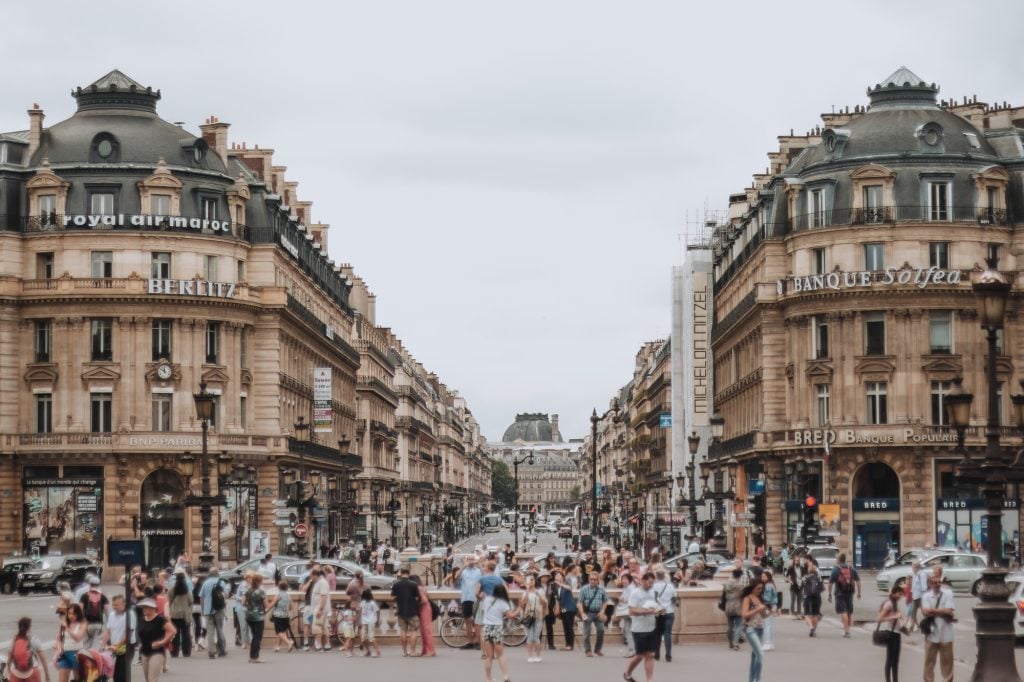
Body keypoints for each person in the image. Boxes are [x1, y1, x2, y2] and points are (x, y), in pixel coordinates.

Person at [623, 572, 660, 682]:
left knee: (651, 655)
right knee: (640, 655)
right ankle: (628, 673)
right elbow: (631, 610)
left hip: (652, 626)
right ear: (643, 581)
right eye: (649, 583)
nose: (651, 585)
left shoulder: (653, 592)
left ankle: (650, 679)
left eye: (652, 583)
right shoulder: (635, 593)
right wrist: (646, 611)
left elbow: (656, 606)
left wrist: (659, 610)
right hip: (639, 628)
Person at [921, 570, 955, 682]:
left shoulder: (948, 593)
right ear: (930, 584)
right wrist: (942, 611)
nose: (937, 585)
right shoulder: (926, 596)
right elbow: (925, 612)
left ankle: (947, 680)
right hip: (932, 632)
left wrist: (933, 610)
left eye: (939, 582)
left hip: (946, 632)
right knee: (929, 661)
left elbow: (950, 611)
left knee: (947, 662)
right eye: (934, 583)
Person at [480, 583, 517, 682]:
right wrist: (520, 607)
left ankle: (489, 678)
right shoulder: (503, 603)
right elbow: (511, 616)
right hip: (497, 628)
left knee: (489, 656)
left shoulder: (487, 599)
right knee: (500, 654)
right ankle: (505, 676)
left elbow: (483, 610)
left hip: (487, 627)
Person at [136, 598, 176, 682]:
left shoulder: (160, 620)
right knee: (147, 679)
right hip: (144, 652)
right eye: (143, 607)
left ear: (153, 608)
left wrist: (162, 642)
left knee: (152, 679)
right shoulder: (142, 620)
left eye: (146, 607)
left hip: (157, 652)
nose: (144, 609)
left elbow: (172, 631)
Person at [6, 617, 51, 682]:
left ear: (19, 627)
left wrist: (9, 672)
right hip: (32, 672)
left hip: (16, 673)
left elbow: (9, 660)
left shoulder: (14, 640)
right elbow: (43, 659)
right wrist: (47, 675)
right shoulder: (34, 639)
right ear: (29, 628)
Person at [828, 552, 861, 638]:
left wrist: (829, 594)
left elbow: (830, 583)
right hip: (850, 592)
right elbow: (858, 580)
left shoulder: (835, 569)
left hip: (839, 593)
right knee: (849, 612)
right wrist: (859, 593)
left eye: (836, 559)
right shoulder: (851, 568)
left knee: (844, 612)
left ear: (838, 560)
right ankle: (847, 630)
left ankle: (847, 632)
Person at [741, 581, 768, 682]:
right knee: (760, 654)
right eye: (758, 588)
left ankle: (752, 679)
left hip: (760, 628)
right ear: (752, 587)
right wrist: (757, 609)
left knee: (755, 656)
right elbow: (744, 614)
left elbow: (764, 615)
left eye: (761, 589)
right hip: (751, 629)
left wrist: (768, 612)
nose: (760, 591)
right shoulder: (747, 598)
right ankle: (757, 679)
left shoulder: (759, 598)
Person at [391, 567, 422, 656]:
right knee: (414, 630)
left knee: (403, 631)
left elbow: (392, 597)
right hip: (412, 610)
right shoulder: (413, 584)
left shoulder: (396, 584)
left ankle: (405, 652)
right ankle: (412, 651)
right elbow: (417, 597)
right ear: (408, 573)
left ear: (401, 573)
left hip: (400, 610)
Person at [198, 568, 228, 659]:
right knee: (220, 629)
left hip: (207, 610)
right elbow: (226, 595)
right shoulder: (221, 582)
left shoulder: (206, 583)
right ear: (217, 573)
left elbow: (201, 597)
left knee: (210, 632)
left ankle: (211, 651)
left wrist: (203, 610)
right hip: (219, 609)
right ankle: (221, 650)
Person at [104, 595, 135, 682]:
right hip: (115, 646)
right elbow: (108, 631)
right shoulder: (111, 615)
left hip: (127, 646)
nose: (114, 607)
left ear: (124, 604)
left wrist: (118, 645)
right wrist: (102, 645)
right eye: (113, 605)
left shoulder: (129, 615)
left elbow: (128, 632)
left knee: (122, 674)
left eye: (117, 605)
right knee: (116, 674)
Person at [578, 570, 609, 657]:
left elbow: (605, 600)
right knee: (587, 632)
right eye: (591, 579)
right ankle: (588, 650)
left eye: (595, 579)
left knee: (601, 630)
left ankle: (598, 649)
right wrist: (582, 613)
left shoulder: (601, 589)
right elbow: (579, 602)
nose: (593, 581)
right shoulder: (584, 589)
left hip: (598, 612)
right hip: (588, 612)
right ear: (588, 579)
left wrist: (603, 611)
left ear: (598, 580)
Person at [455, 555, 483, 650]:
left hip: (476, 598)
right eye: (469, 559)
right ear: (467, 560)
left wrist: (479, 564)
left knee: (477, 622)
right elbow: (456, 577)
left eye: (472, 559)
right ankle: (470, 642)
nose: (471, 561)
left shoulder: (478, 571)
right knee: (468, 621)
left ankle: (478, 641)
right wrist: (463, 566)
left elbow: (486, 577)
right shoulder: (464, 571)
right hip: (466, 598)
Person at [877, 584, 903, 682]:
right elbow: (880, 618)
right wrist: (894, 617)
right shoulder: (889, 604)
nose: (900, 596)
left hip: (897, 633)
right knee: (890, 660)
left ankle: (895, 680)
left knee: (895, 661)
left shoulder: (895, 603)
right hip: (891, 634)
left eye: (901, 594)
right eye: (899, 594)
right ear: (894, 593)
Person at [55, 604, 87, 682]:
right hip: (64, 653)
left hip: (76, 654)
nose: (71, 616)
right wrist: (59, 650)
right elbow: (58, 639)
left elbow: (78, 638)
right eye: (69, 613)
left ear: (78, 614)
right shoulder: (65, 624)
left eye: (74, 614)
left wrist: (68, 629)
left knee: (78, 678)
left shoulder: (82, 624)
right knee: (62, 679)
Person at [520, 574, 546, 663]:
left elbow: (545, 603)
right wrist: (527, 589)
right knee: (530, 637)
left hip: (538, 616)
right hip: (528, 616)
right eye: (529, 580)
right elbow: (523, 603)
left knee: (536, 636)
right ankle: (530, 655)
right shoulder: (524, 592)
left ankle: (538, 655)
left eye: (533, 580)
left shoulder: (540, 591)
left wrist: (540, 597)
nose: (531, 581)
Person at [243, 573, 269, 663]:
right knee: (258, 637)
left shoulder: (248, 590)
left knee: (254, 636)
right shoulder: (261, 592)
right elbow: (266, 605)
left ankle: (252, 656)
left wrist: (251, 606)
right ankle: (255, 657)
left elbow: (243, 603)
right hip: (258, 616)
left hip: (249, 616)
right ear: (259, 581)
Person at [168, 569, 193, 658]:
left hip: (174, 614)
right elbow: (191, 601)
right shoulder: (187, 590)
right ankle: (186, 652)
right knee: (186, 633)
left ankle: (174, 652)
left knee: (175, 634)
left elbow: (169, 601)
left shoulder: (172, 590)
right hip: (185, 614)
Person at [651, 569, 675, 662]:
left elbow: (652, 598)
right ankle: (668, 655)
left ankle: (657, 654)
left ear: (656, 576)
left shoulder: (653, 586)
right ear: (664, 576)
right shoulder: (669, 586)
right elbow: (674, 597)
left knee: (657, 634)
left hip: (658, 612)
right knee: (667, 633)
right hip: (669, 611)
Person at [79, 575, 109, 648]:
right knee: (97, 647)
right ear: (98, 585)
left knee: (86, 646)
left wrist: (81, 622)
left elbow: (80, 609)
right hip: (99, 624)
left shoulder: (84, 596)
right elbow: (107, 612)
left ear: (89, 584)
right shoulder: (103, 596)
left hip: (87, 625)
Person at [268, 580, 296, 653]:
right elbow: (291, 607)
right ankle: (277, 647)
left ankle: (289, 642)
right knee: (282, 632)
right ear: (286, 587)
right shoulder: (288, 595)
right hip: (286, 616)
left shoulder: (279, 595)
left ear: (279, 587)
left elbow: (273, 603)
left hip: (278, 615)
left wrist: (267, 609)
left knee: (279, 632)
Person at [308, 567, 332, 651]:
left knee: (317, 626)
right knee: (324, 626)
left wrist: (320, 609)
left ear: (315, 575)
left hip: (319, 608)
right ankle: (327, 644)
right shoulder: (320, 582)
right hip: (320, 608)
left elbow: (324, 596)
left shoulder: (322, 583)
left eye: (311, 576)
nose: (310, 578)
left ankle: (318, 645)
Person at [554, 570, 578, 651]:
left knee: (569, 626)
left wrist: (560, 584)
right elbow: (558, 598)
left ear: (562, 576)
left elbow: (569, 588)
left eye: (558, 575)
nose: (556, 576)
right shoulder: (557, 587)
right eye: (556, 575)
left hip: (570, 608)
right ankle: (567, 644)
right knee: (565, 627)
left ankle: (570, 645)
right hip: (563, 609)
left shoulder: (566, 583)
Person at [615, 572, 637, 657]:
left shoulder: (630, 588)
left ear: (629, 580)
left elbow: (627, 599)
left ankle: (632, 650)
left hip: (629, 611)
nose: (623, 581)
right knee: (630, 631)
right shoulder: (629, 588)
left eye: (625, 579)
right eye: (622, 579)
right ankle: (634, 649)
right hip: (631, 612)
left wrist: (620, 598)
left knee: (629, 631)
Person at [724, 568, 745, 650]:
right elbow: (743, 596)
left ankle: (730, 643)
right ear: (740, 576)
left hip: (728, 606)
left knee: (730, 626)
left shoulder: (727, 584)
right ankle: (736, 643)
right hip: (738, 607)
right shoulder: (739, 585)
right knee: (739, 626)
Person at [802, 561, 824, 637]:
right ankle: (814, 630)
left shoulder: (805, 577)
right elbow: (822, 588)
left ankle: (811, 627)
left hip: (807, 597)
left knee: (806, 614)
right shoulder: (819, 578)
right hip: (817, 597)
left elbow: (801, 585)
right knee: (815, 614)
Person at [360, 589, 382, 657]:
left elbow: (377, 612)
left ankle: (377, 651)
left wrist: (377, 621)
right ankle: (368, 651)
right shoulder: (363, 602)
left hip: (371, 621)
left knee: (371, 638)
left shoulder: (372, 603)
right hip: (364, 621)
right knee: (363, 638)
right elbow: (361, 610)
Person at [760, 571, 778, 651]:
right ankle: (770, 643)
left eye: (764, 576)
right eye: (762, 576)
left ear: (768, 577)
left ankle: (767, 643)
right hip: (772, 606)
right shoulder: (771, 585)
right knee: (769, 625)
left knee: (766, 625)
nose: (762, 578)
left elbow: (767, 598)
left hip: (768, 606)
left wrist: (760, 597)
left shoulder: (767, 586)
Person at [909, 561, 928, 631]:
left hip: (921, 597)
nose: (912, 569)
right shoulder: (915, 574)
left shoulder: (922, 574)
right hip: (915, 596)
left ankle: (930, 624)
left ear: (917, 567)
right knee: (913, 612)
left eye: (913, 567)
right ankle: (912, 626)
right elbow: (913, 586)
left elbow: (924, 587)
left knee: (924, 612)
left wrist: (924, 597)